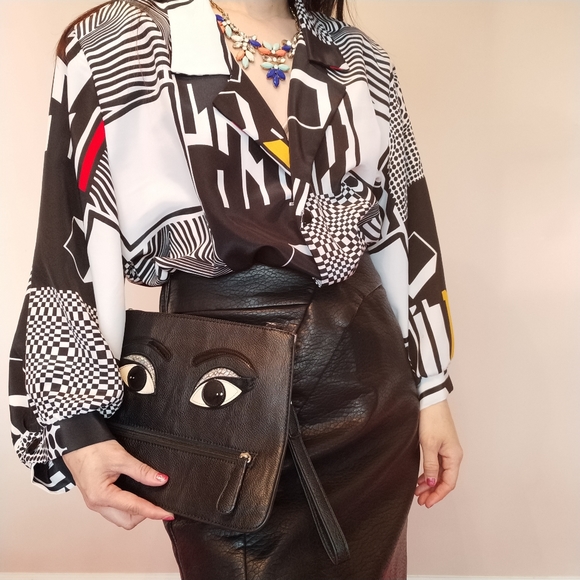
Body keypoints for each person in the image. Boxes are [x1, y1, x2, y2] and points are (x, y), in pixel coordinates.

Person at [8, 0, 463, 577]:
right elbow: (71, 232)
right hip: (217, 391)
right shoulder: (124, 39)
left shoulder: (358, 57)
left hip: (367, 385)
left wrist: (431, 390)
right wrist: (77, 424)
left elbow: (404, 221)